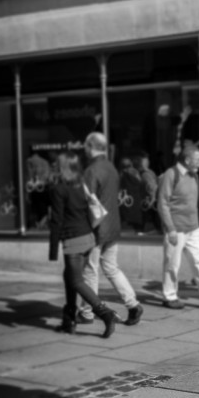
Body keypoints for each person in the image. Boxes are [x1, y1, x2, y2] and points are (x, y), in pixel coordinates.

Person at [78, 133, 144, 327]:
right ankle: (133, 305)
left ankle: (87, 312)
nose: (84, 149)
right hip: (112, 226)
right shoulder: (111, 168)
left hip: (96, 228)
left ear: (90, 147)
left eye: (85, 146)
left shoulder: (91, 170)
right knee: (111, 268)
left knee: (90, 271)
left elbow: (88, 202)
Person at [48, 152, 117, 338]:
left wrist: (53, 250)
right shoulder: (80, 186)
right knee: (69, 277)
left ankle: (105, 313)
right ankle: (68, 320)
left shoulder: (59, 189)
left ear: (61, 167)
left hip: (73, 241)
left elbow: (56, 220)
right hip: (88, 238)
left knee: (76, 281)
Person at [157, 145, 199, 310]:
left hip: (193, 228)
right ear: (187, 160)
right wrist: (170, 228)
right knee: (172, 264)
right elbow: (162, 203)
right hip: (176, 229)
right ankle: (169, 296)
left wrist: (196, 226)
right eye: (198, 159)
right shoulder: (171, 174)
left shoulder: (194, 176)